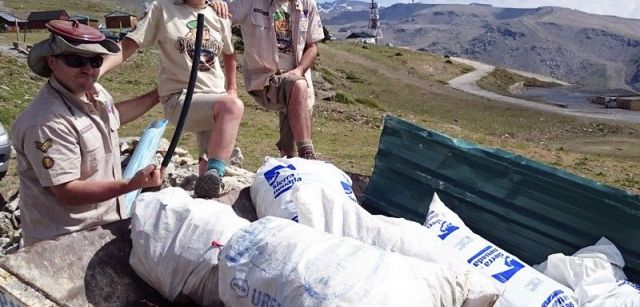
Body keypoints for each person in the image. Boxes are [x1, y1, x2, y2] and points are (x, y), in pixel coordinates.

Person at [11, 20, 164, 246]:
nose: (88, 68)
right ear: (52, 62)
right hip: (63, 242)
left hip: (104, 226)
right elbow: (68, 191)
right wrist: (130, 184)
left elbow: (112, 118)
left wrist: (157, 95)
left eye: (95, 60)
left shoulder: (94, 91)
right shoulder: (46, 123)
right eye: (75, 60)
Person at [101, 0, 243, 199]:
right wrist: (97, 71)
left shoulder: (217, 13)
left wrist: (232, 88)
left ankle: (206, 195)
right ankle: (216, 173)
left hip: (215, 99)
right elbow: (129, 44)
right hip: (181, 98)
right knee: (232, 107)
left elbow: (229, 53)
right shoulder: (163, 9)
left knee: (207, 175)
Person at [212, 0, 324, 159]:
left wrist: (299, 71)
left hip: (299, 82)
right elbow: (218, 16)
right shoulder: (251, 2)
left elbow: (312, 47)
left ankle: (292, 165)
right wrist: (216, 4)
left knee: (290, 155)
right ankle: (308, 154)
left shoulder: (307, 5)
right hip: (264, 80)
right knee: (297, 86)